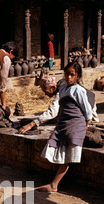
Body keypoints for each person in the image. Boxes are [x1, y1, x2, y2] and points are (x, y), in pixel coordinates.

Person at [35, 61, 93, 192]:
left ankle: (54, 185)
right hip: (63, 125)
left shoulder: (79, 90)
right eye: (66, 74)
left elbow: (87, 111)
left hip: (75, 126)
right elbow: (60, 108)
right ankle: (55, 183)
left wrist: (85, 127)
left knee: (67, 157)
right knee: (55, 148)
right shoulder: (63, 89)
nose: (69, 77)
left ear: (78, 76)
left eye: (72, 75)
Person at [18, 75, 99, 134]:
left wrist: (31, 124)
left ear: (53, 88)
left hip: (88, 109)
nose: (45, 94)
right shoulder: (61, 84)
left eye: (46, 91)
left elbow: (52, 112)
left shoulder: (62, 89)